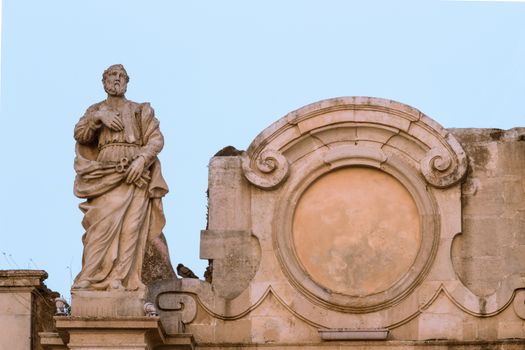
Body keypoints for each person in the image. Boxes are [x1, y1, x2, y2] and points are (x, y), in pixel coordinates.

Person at [72, 64, 169, 291]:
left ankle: (120, 279)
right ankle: (91, 275)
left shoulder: (140, 110)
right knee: (100, 226)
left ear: (127, 82)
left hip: (135, 175)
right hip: (105, 176)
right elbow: (81, 134)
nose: (117, 80)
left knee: (131, 230)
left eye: (121, 77)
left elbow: (156, 139)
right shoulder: (95, 110)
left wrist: (142, 160)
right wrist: (99, 117)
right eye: (112, 76)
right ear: (104, 81)